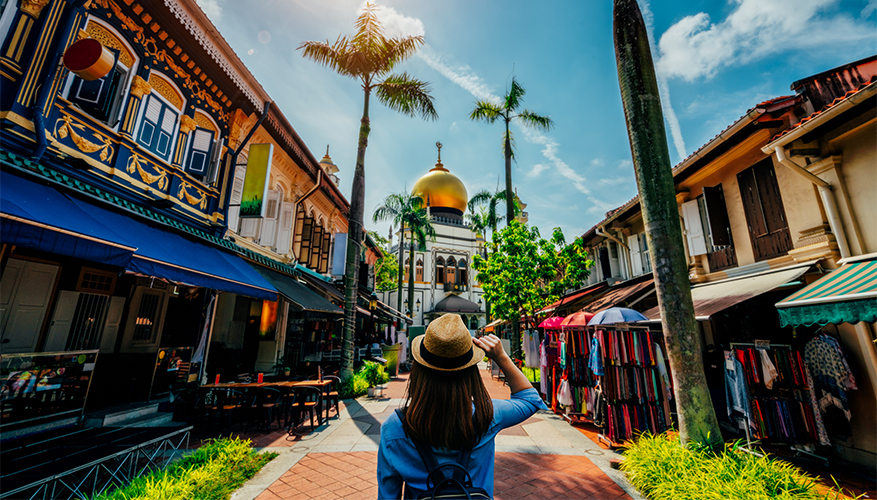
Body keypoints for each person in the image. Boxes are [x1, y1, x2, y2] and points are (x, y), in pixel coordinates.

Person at [378, 313, 546, 499]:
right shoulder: (487, 416)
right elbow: (530, 399)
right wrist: (501, 357)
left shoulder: (394, 428)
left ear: (419, 371)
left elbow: (387, 496)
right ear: (470, 372)